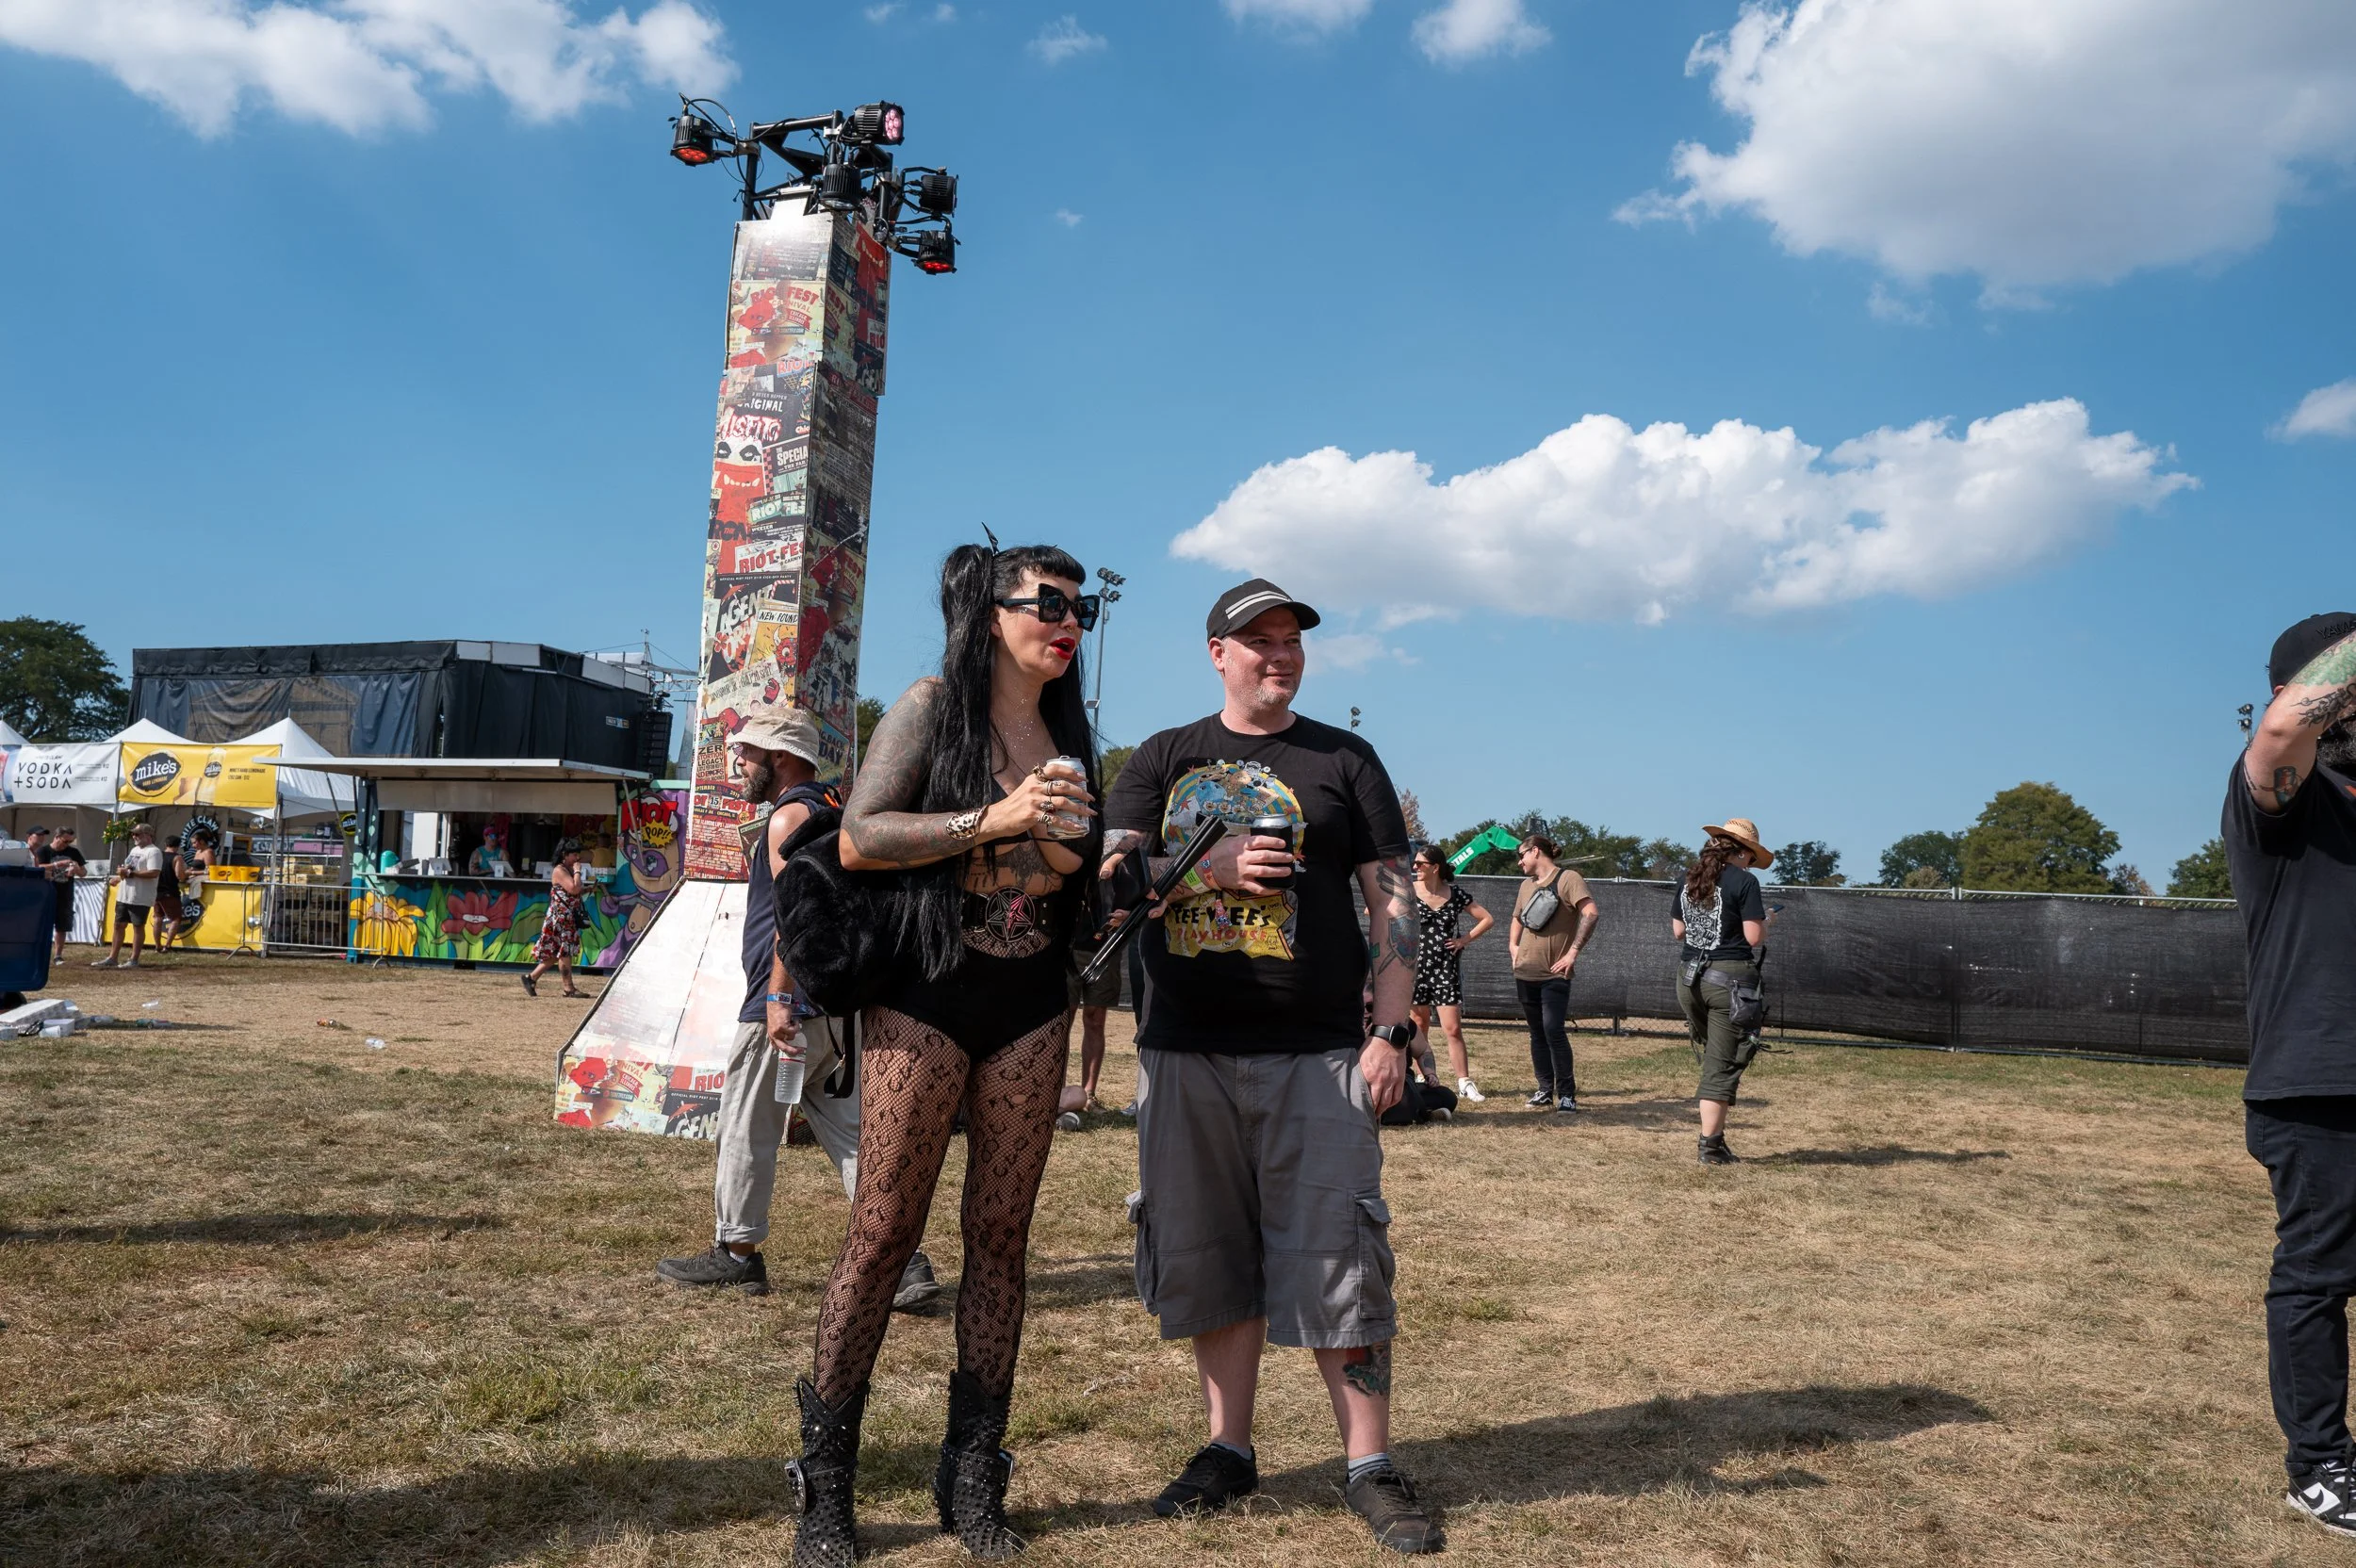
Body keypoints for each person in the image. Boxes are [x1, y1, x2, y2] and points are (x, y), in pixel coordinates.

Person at [1104, 578, 1441, 1556]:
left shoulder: (1344, 759)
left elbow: (1392, 906)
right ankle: (1227, 1448)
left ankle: (1369, 1462)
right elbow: (1110, 879)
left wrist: (1391, 1034)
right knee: (1208, 1254)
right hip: (1183, 1051)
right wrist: (1196, 870)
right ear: (1217, 650)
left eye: (1290, 638)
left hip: (1318, 1052)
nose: (1278, 654)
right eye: (1257, 639)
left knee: (1340, 1252)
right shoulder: (1163, 756)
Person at [789, 542, 1100, 1567]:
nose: (1067, 620)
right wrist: (995, 817)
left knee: (1002, 1237)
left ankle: (973, 1475)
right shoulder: (931, 705)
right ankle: (824, 1488)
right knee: (883, 1229)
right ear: (993, 609)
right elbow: (859, 836)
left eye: (1080, 605)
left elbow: (1066, 863)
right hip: (926, 986)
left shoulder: (1067, 727)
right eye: (1048, 602)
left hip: (1029, 999)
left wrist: (1078, 849)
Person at [654, 703, 940, 1312]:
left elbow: (795, 917)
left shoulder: (789, 818)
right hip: (834, 1008)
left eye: (750, 753)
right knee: (855, 1138)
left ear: (781, 759)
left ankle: (736, 1254)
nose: (741, 762)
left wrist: (779, 997)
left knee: (746, 1124)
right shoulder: (831, 811)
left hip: (786, 1002)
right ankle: (905, 1260)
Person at [2225, 612, 2356, 1539]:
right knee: (2318, 1275)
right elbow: (2280, 734)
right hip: (2316, 1081)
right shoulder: (2280, 796)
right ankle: (2317, 1466)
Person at [1673, 818, 1772, 1166]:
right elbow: (1753, 938)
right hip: (1728, 982)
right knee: (1720, 1066)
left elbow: (1678, 931)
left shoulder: (1689, 879)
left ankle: (1717, 1140)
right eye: (1751, 858)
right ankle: (1710, 1149)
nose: (1752, 865)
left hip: (1689, 980)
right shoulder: (1745, 881)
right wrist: (1767, 920)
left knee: (1717, 1058)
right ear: (1742, 852)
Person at [1507, 834, 1598, 1113]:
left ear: (1536, 851)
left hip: (1554, 975)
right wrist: (1513, 947)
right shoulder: (1525, 885)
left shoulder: (1568, 879)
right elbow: (1516, 917)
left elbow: (1591, 913)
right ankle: (1544, 1090)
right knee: (1536, 1033)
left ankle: (1567, 1094)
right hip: (1525, 973)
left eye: (1522, 855)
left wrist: (1572, 953)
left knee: (1553, 1030)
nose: (1520, 861)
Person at [1409, 845, 1494, 1103]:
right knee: (1419, 1025)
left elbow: (1487, 919)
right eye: (1414, 864)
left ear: (1435, 867)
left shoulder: (1455, 894)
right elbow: (1376, 911)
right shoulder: (1409, 892)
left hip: (1445, 968)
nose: (1415, 868)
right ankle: (1424, 1075)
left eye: (1420, 864)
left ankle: (1464, 1081)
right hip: (1415, 967)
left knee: (1453, 1028)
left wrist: (1463, 940)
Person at [522, 841, 590, 998]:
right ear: (564, 855)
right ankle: (569, 988)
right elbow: (573, 888)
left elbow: (573, 891)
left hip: (565, 916)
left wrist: (586, 889)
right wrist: (578, 872)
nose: (577, 858)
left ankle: (530, 978)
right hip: (560, 918)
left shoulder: (567, 869)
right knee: (564, 951)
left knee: (555, 953)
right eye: (574, 854)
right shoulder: (560, 870)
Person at [98, 822, 164, 969]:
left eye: (137, 834)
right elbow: (129, 868)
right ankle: (112, 957)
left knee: (137, 926)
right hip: (125, 895)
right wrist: (120, 876)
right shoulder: (134, 850)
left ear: (148, 835)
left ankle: (134, 959)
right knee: (118, 925)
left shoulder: (153, 852)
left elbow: (154, 872)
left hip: (140, 896)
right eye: (133, 834)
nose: (134, 836)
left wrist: (130, 873)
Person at [151, 836, 185, 951]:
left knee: (157, 918)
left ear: (166, 844)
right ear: (178, 845)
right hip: (170, 891)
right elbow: (180, 876)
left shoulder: (158, 854)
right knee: (175, 919)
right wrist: (188, 873)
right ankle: (168, 945)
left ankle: (157, 945)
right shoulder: (177, 857)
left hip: (156, 891)